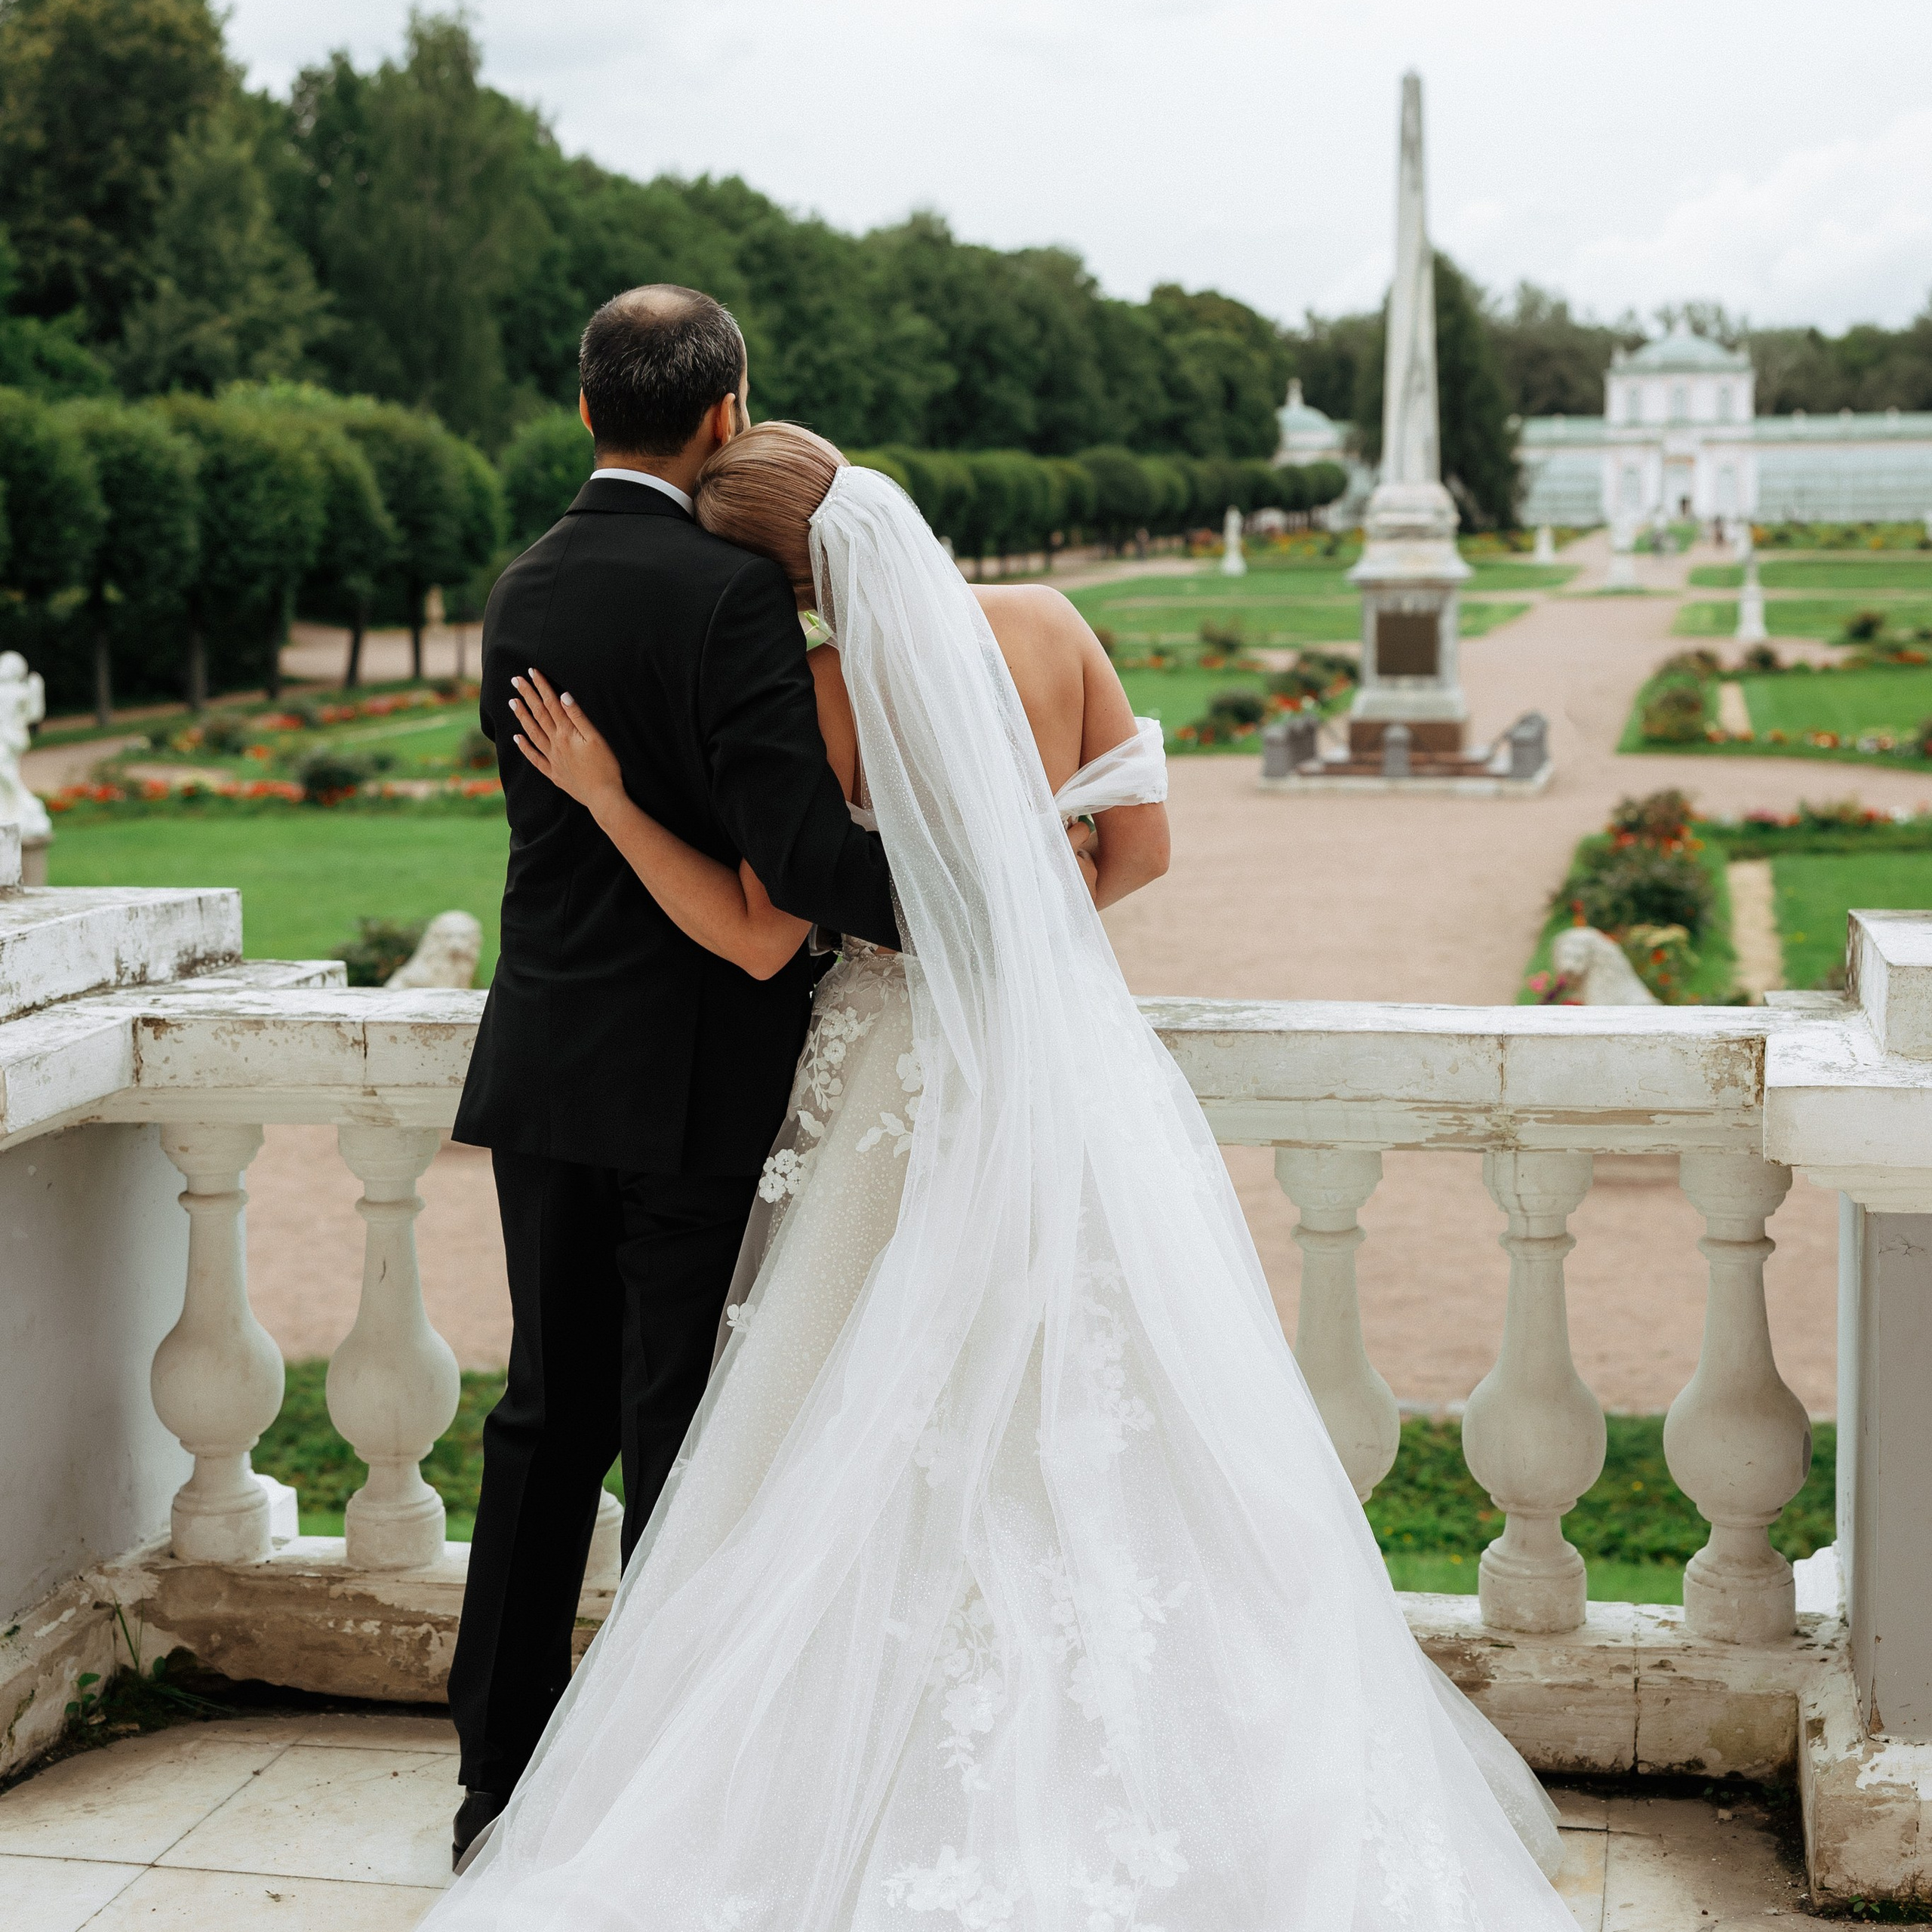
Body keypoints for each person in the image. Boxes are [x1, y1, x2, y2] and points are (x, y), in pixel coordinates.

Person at [429, 432, 1575, 1929]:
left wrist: (615, 799)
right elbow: (1143, 843)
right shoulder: (1048, 629)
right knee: (1111, 1405)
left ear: (783, 579)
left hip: (889, 1086)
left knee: (851, 1413)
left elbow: (765, 934)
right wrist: (1020, 926)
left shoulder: (818, 695)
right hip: (1058, 1062)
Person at [443, 290, 900, 1866]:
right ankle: (645, 1781)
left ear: (585, 410)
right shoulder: (727, 596)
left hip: (547, 1060)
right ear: (726, 414)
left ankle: (494, 1775)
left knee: (540, 1415)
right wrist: (980, 896)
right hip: (700, 1070)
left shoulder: (523, 588)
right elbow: (796, 858)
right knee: (677, 1424)